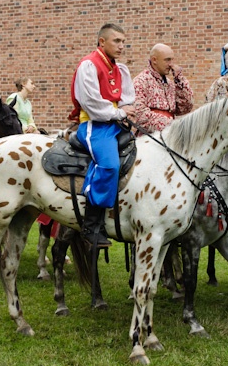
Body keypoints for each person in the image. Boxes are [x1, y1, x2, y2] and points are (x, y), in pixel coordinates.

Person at [70, 23, 136, 247]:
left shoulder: (121, 69)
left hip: (116, 122)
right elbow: (92, 104)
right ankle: (91, 226)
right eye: (117, 41)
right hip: (94, 125)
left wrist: (125, 111)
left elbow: (128, 98)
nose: (121, 46)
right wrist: (119, 112)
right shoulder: (88, 65)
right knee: (109, 165)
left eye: (123, 42)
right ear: (102, 42)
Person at [131, 43, 195, 134]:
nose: (171, 64)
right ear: (154, 60)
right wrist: (171, 125)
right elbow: (139, 114)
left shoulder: (170, 84)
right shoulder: (141, 81)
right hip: (149, 140)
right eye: (167, 60)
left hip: (170, 138)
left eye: (172, 60)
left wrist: (179, 80)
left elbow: (185, 107)